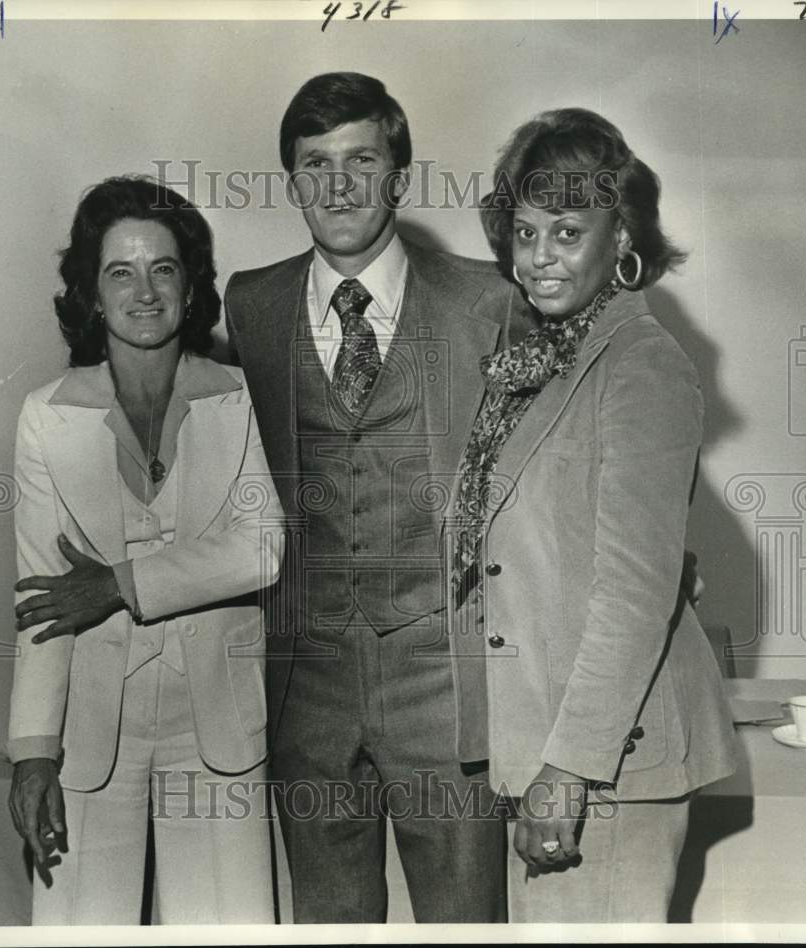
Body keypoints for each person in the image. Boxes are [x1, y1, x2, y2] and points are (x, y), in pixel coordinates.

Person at [223, 73, 527, 923]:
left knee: (466, 921)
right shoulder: (253, 301)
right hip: (306, 685)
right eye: (315, 164)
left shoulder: (484, 301)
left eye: (362, 159)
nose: (340, 184)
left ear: (399, 173)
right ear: (292, 182)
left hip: (446, 684)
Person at [446, 108, 739, 923]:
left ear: (622, 238)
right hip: (547, 749)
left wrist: (566, 771)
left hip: (604, 765)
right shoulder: (542, 359)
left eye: (567, 232)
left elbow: (634, 594)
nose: (537, 258)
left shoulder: (641, 365)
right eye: (525, 231)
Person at [6, 175, 283, 925]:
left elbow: (263, 549)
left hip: (219, 728)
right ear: (91, 295)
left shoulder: (240, 395)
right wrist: (33, 749)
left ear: (191, 288)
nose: (145, 291)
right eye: (119, 272)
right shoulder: (45, 417)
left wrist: (119, 584)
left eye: (164, 268)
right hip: (92, 734)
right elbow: (43, 600)